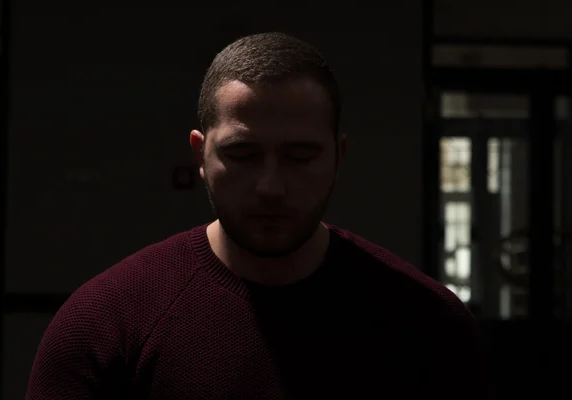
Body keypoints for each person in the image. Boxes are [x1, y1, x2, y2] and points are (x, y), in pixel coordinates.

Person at [26, 32, 491, 399]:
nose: (271, 186)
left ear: (338, 156)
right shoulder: (103, 326)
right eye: (243, 154)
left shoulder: (428, 325)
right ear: (200, 155)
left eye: (301, 156)